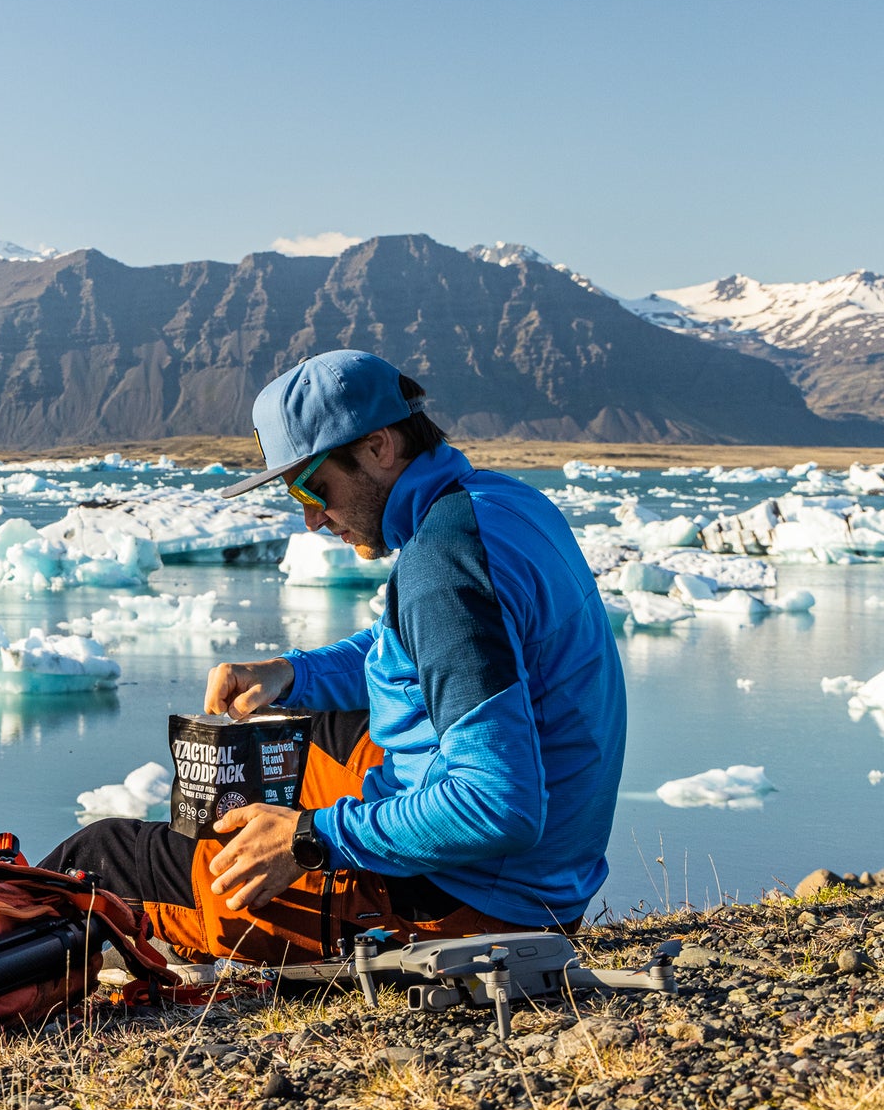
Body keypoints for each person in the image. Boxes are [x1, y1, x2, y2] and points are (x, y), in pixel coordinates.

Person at [40, 350, 626, 964]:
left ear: (378, 447)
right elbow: (410, 643)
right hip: (543, 876)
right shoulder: (491, 505)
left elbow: (498, 808)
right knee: (284, 739)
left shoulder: (444, 569)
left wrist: (310, 837)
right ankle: (221, 862)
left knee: (106, 855)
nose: (312, 519)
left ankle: (3, 944)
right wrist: (293, 674)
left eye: (314, 488)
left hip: (468, 905)